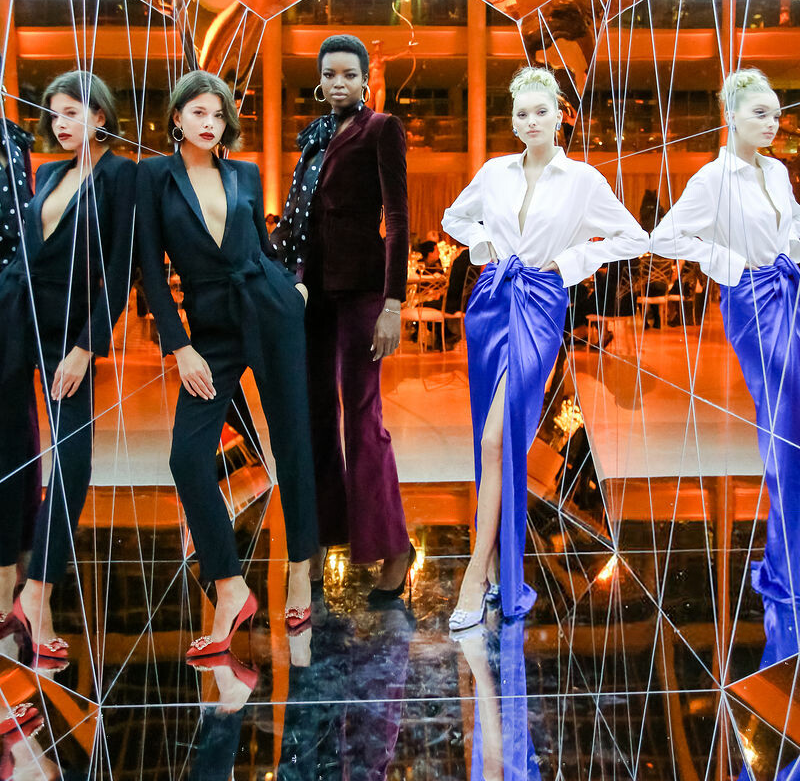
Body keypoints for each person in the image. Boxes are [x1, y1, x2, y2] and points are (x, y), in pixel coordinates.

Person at [441, 66, 649, 627]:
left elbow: (633, 236)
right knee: (489, 437)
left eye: (542, 111)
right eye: (522, 113)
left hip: (539, 304)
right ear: (513, 122)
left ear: (559, 116)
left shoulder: (582, 180)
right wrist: (483, 243)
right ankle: (494, 570)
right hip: (490, 303)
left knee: (497, 437)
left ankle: (476, 573)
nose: (532, 121)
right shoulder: (494, 172)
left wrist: (568, 262)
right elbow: (454, 217)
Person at [136, 70, 318, 657]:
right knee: (188, 458)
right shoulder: (154, 177)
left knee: (291, 441)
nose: (209, 123)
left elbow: (264, 246)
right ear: (177, 118)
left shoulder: (245, 173)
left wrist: (293, 288)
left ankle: (299, 569)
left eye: (217, 114)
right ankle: (231, 585)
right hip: (210, 329)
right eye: (198, 112)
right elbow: (150, 270)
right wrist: (180, 346)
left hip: (269, 308)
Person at [651, 67, 800, 609]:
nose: (773, 123)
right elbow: (665, 236)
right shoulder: (713, 179)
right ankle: (788, 568)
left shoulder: (776, 171)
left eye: (776, 114)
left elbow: (792, 225)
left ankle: (788, 554)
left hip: (790, 289)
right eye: (761, 114)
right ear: (730, 116)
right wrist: (731, 265)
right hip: (754, 302)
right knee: (784, 421)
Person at [272, 33, 413, 601]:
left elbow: (397, 220)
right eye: (330, 74)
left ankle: (393, 545)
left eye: (349, 75)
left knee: (362, 416)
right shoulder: (312, 137)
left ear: (365, 80)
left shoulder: (381, 129)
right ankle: (317, 538)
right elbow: (295, 221)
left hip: (361, 291)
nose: (339, 83)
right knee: (313, 420)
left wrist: (393, 303)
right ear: (319, 80)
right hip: (310, 294)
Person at [0, 71, 136, 658]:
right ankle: (8, 583)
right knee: (9, 450)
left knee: (73, 460)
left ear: (100, 116)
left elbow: (121, 271)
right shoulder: (49, 173)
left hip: (68, 330)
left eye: (73, 112)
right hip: (12, 312)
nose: (60, 123)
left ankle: (38, 592)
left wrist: (86, 347)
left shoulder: (121, 176)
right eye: (54, 113)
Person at [0, 118, 39, 625]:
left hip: (9, 302)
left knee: (12, 427)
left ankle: (13, 557)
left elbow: (22, 231)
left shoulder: (12, 143)